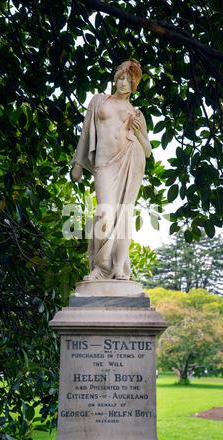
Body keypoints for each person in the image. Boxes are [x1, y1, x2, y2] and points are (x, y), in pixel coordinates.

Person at [71, 59, 152, 281]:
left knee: (124, 215)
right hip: (105, 164)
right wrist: (78, 162)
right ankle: (101, 266)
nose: (123, 83)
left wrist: (137, 133)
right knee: (104, 212)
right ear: (115, 79)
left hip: (131, 160)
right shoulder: (99, 101)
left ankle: (118, 266)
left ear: (134, 85)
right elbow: (86, 131)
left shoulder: (136, 114)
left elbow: (147, 150)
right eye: (120, 78)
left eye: (128, 80)